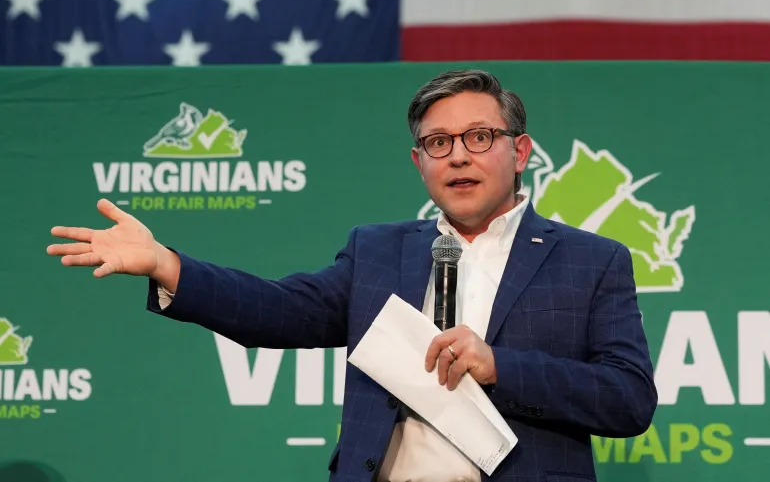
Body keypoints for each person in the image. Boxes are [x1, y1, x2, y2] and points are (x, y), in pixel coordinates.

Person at [47, 69, 657, 481]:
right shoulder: (379, 251)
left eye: (479, 136)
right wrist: (165, 264)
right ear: (419, 163)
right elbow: (275, 309)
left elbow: (628, 401)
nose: (459, 155)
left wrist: (500, 365)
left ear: (519, 152)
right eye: (438, 143)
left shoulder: (591, 259)